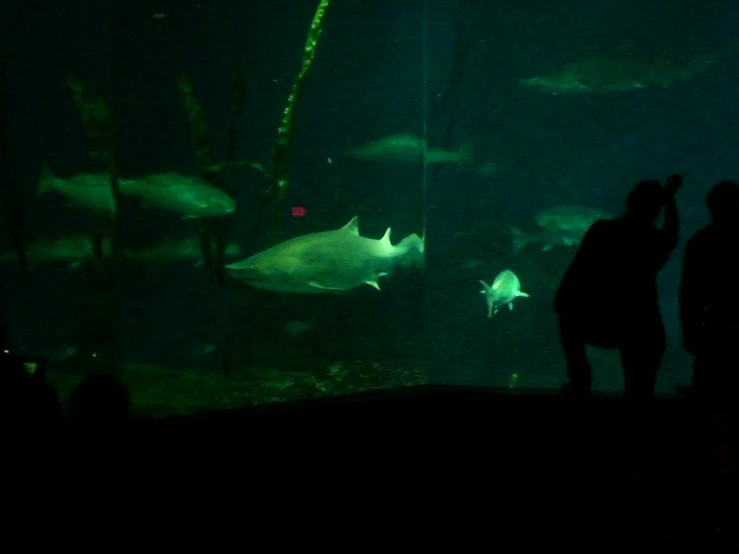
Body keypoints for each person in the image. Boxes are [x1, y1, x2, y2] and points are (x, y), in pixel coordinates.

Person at [554, 175, 682, 401]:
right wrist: (670, 198)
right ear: (657, 210)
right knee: (640, 390)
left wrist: (563, 307)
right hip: (641, 324)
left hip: (601, 320)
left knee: (566, 321)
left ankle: (580, 383)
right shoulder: (654, 240)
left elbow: (577, 271)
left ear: (628, 202)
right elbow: (672, 233)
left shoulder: (602, 230)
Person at [678, 180, 739, 482]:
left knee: (712, 405)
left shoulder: (701, 241)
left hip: (716, 335)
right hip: (721, 333)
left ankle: (713, 476)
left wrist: (691, 333)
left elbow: (689, 295)